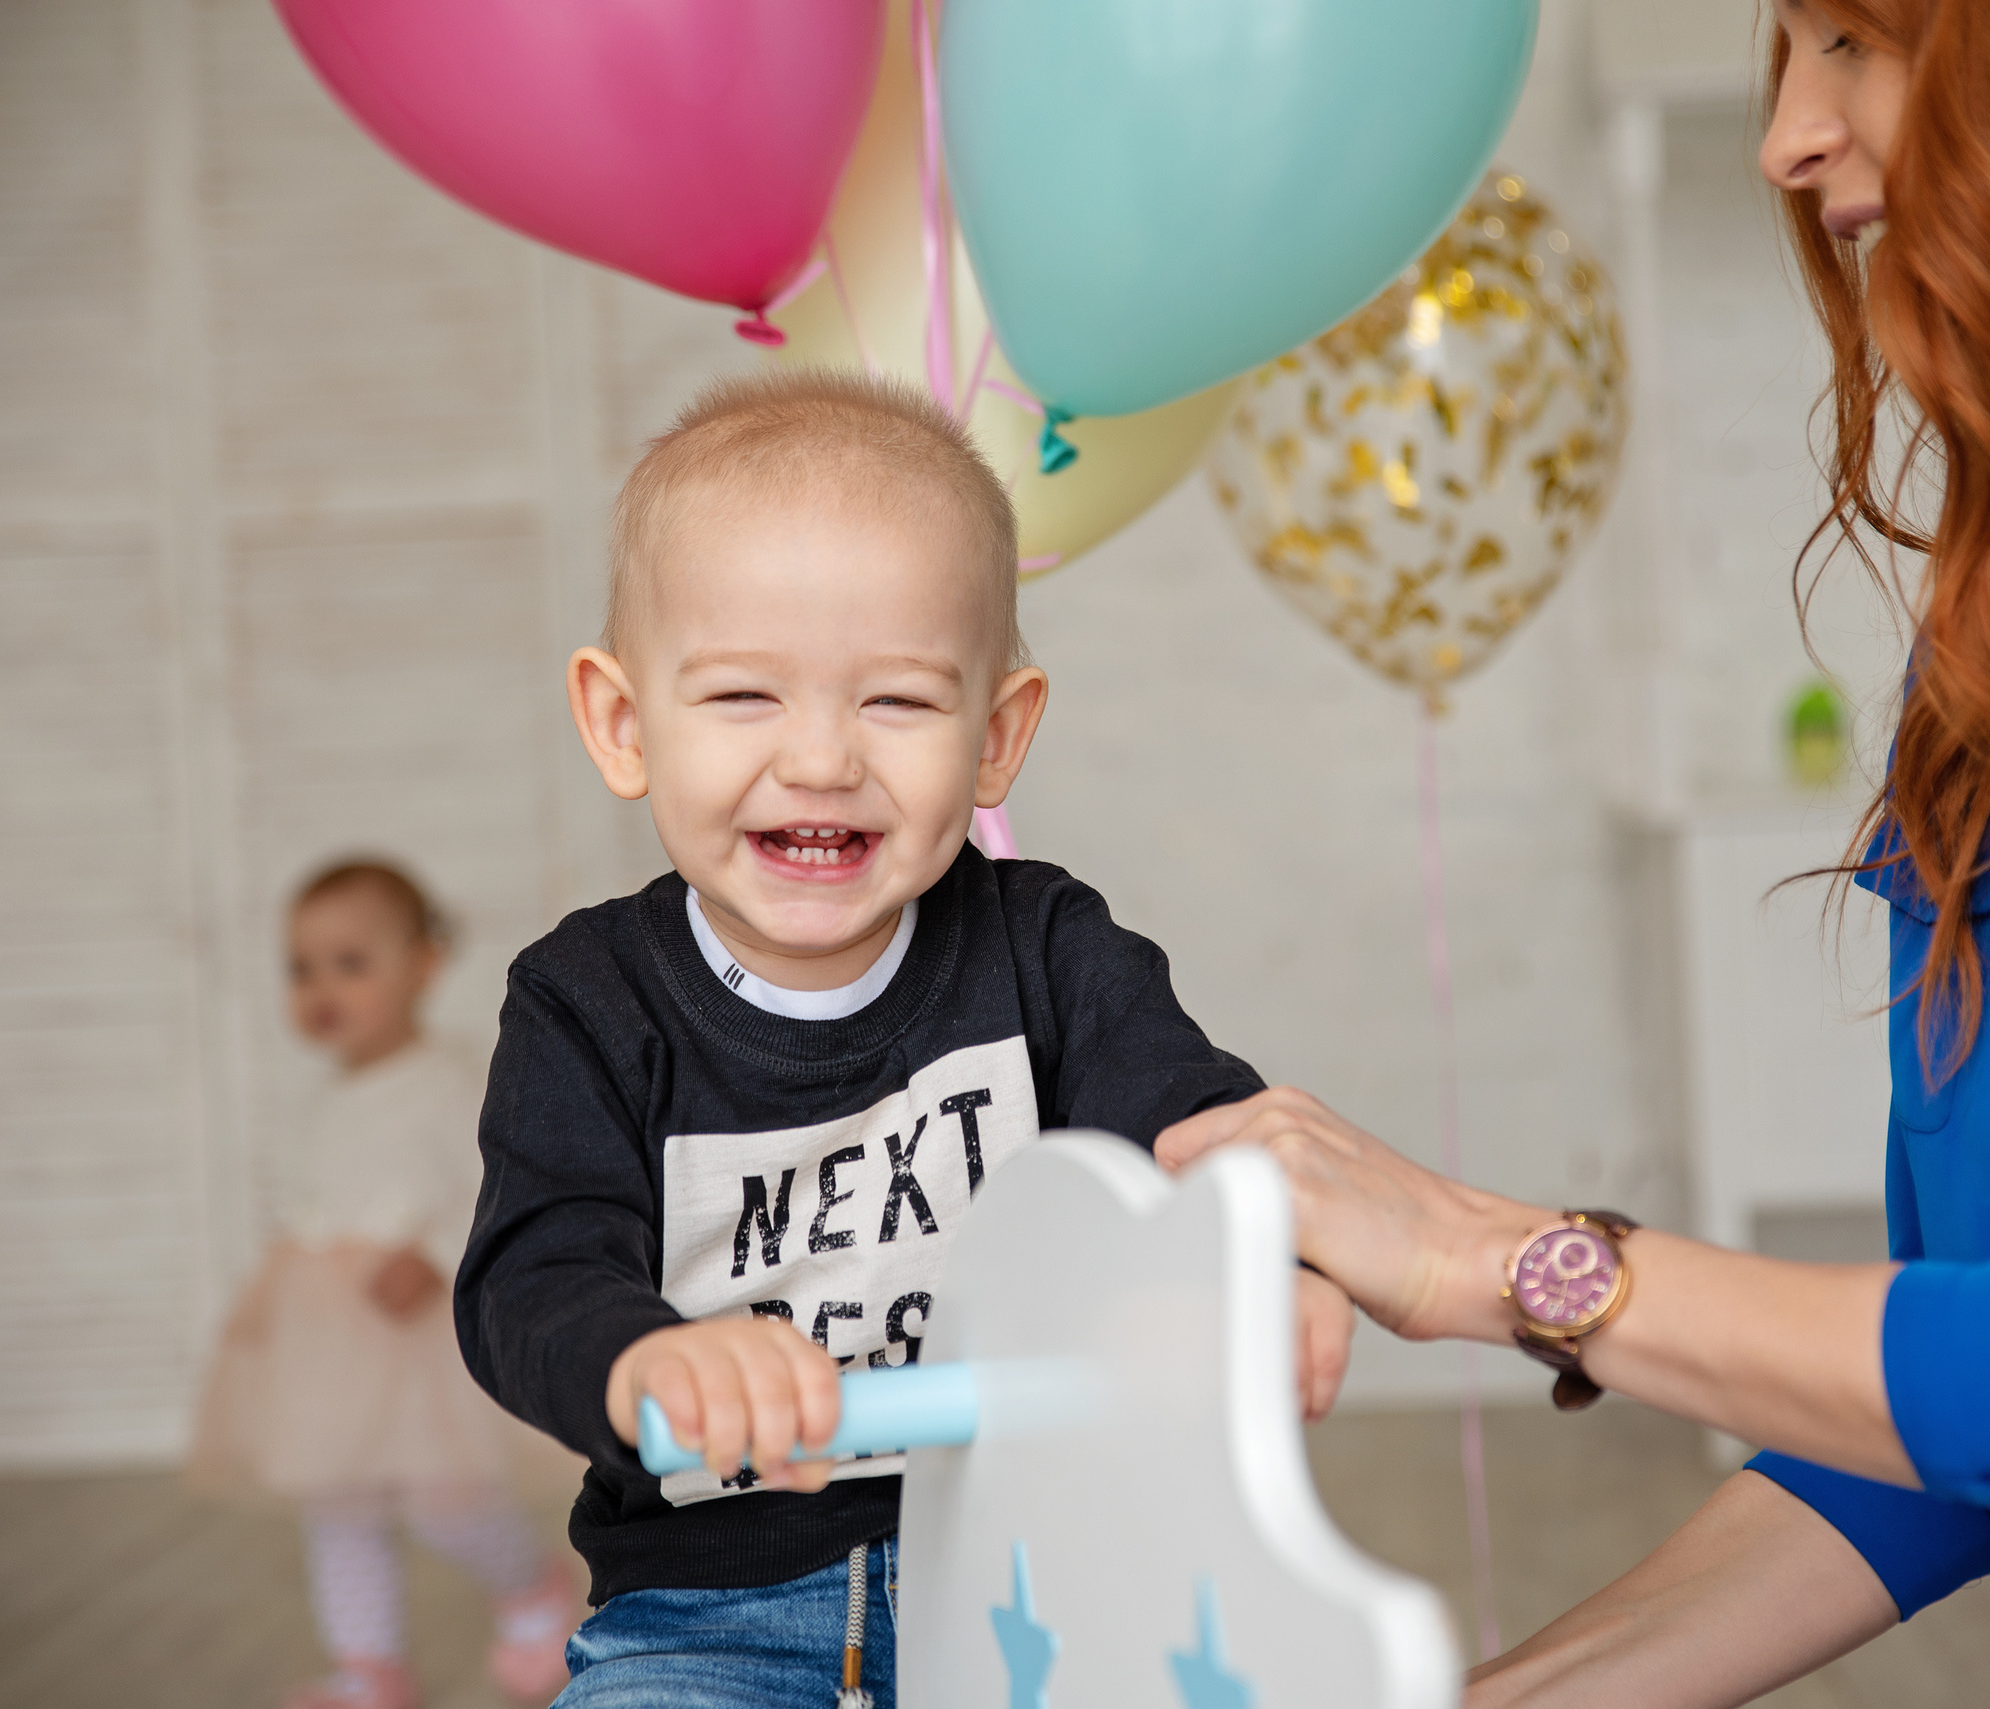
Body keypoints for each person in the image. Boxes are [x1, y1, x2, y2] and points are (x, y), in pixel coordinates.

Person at [1160, 0, 1990, 1703]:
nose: (1787, 139)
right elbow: (1936, 1404)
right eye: (1785, 52)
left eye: (1857, 42)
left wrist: (1499, 1258)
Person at [453, 369, 1358, 1709]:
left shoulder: (1047, 952)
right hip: (713, 1603)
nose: (820, 759)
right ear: (624, 723)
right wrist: (644, 1356)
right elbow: (532, 1275)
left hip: (1041, 1572)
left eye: (896, 702)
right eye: (745, 698)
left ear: (996, 739)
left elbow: (1196, 1128)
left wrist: (1261, 1251)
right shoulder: (587, 1002)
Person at [191, 861, 576, 1709]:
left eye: (351, 962)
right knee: (338, 1503)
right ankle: (368, 1670)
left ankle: (532, 1591)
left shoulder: (449, 1081)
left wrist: (437, 1248)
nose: (321, 986)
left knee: (448, 1498)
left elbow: (501, 1177)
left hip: (418, 1335)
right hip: (337, 1338)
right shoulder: (329, 1094)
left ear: (424, 965)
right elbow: (324, 1202)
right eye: (302, 966)